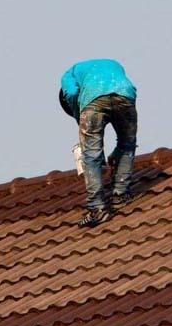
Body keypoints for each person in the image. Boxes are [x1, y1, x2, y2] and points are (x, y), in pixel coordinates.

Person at [59, 58, 137, 228]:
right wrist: (117, 152)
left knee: (91, 155)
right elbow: (122, 87)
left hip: (93, 101)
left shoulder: (68, 75)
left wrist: (79, 115)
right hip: (125, 95)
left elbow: (72, 94)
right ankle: (120, 194)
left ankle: (97, 208)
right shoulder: (111, 64)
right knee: (127, 143)